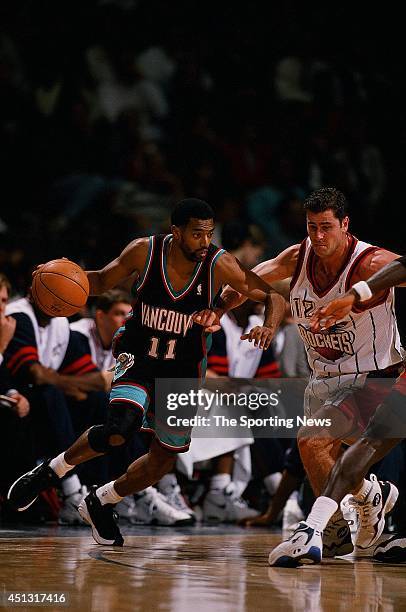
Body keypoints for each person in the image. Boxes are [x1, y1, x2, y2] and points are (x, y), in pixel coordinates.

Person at [8, 198, 285, 546]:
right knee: (118, 429)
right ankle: (51, 472)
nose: (204, 242)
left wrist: (270, 327)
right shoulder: (145, 251)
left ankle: (103, 500)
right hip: (139, 354)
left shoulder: (220, 263)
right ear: (176, 231)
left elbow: (274, 296)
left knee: (162, 461)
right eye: (197, 234)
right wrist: (54, 276)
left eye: (209, 234)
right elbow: (98, 281)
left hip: (183, 368)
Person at [218, 187, 403, 564]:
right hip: (324, 378)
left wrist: (357, 294)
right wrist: (218, 304)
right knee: (314, 451)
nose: (318, 237)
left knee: (313, 441)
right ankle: (345, 524)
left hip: (374, 376)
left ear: (345, 225)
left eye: (326, 228)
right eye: (311, 227)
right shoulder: (298, 256)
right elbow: (249, 281)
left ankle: (351, 511)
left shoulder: (367, 261)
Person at [267, 255, 406, 564]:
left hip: (379, 373)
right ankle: (315, 529)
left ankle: (377, 513)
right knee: (335, 441)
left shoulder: (367, 255)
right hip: (365, 383)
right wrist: (357, 295)